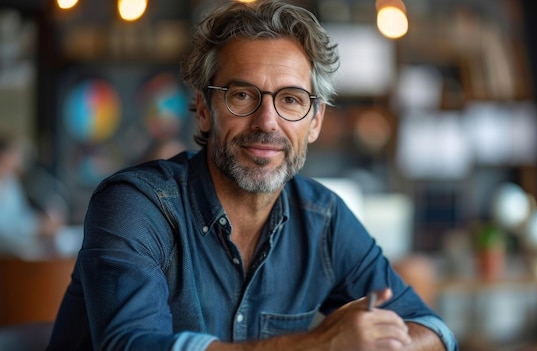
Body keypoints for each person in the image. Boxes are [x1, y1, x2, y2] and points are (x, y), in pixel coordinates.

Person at [47, 1, 458, 350]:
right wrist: (317, 344)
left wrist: (385, 339)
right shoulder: (135, 205)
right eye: (242, 95)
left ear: (314, 122)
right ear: (205, 109)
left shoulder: (324, 218)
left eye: (291, 100)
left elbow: (435, 331)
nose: (267, 122)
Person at [0, 132, 63, 259]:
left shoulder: (11, 181)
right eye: (14, 153)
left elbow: (21, 215)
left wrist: (42, 221)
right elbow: (4, 228)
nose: (18, 159)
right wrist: (37, 227)